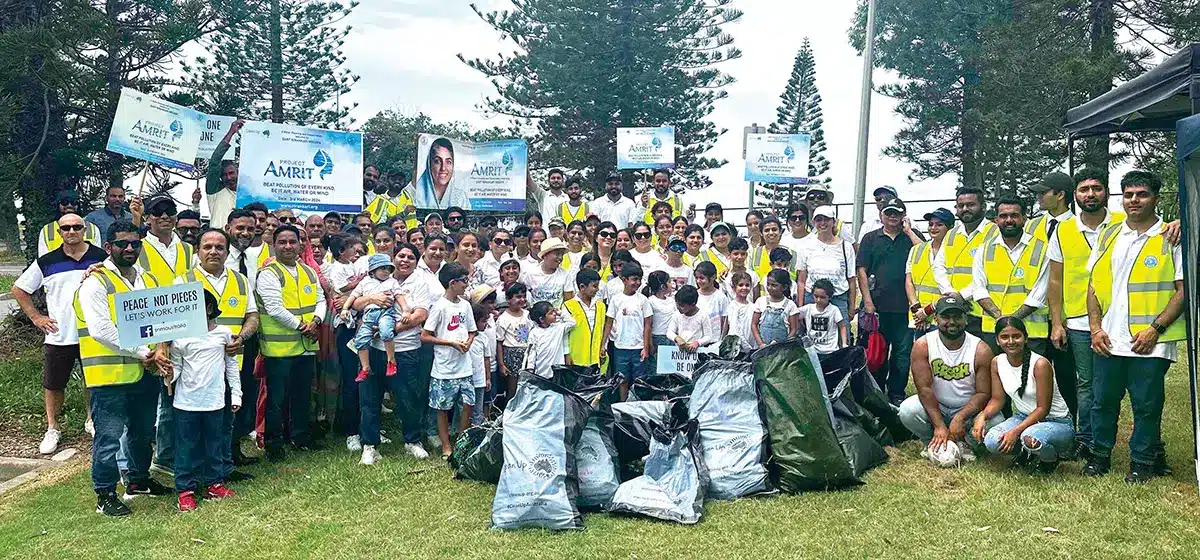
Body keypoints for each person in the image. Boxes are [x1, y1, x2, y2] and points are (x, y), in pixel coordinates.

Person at [1084, 170, 1183, 483]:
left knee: (1147, 406)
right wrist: (1096, 328)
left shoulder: (1170, 237)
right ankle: (1099, 457)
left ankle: (1142, 462)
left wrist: (1155, 329)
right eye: (1128, 195)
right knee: (1103, 403)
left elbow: (1184, 290)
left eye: (1141, 194)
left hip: (1149, 341)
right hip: (1109, 340)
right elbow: (1093, 286)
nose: (1134, 200)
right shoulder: (1109, 235)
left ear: (1156, 198)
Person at [77, 220, 173, 516]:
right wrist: (146, 351)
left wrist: (160, 348)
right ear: (109, 247)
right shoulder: (97, 281)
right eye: (122, 243)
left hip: (144, 372)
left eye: (135, 243)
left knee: (143, 432)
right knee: (108, 438)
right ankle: (105, 494)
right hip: (110, 376)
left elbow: (162, 319)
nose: (130, 248)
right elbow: (102, 330)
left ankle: (138, 480)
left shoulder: (149, 280)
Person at [15, 213, 108, 453]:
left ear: (85, 229)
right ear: (59, 232)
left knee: (94, 380)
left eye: (77, 227)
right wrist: (36, 318)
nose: (72, 231)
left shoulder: (101, 258)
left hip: (93, 333)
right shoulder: (47, 261)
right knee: (54, 384)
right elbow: (19, 289)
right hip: (59, 333)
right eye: (66, 228)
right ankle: (52, 428)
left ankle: (92, 420)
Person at [178, 228, 259, 482]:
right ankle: (198, 473)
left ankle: (223, 468)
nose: (214, 251)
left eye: (219, 247)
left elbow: (252, 316)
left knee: (226, 420)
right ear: (198, 251)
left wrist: (241, 338)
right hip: (196, 368)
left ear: (227, 252)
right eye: (207, 247)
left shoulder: (240, 280)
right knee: (196, 426)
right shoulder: (184, 281)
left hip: (233, 362)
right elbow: (175, 324)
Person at [352, 243, 432, 462]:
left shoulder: (421, 284)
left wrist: (388, 330)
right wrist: (372, 299)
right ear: (392, 259)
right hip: (374, 350)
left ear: (417, 261)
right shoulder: (376, 279)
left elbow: (420, 315)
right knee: (369, 398)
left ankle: (412, 441)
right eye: (401, 256)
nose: (405, 260)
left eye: (410, 257)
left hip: (405, 349)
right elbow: (356, 303)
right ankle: (369, 445)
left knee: (408, 397)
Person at [255, 225, 325, 462]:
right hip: (279, 349)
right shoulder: (268, 273)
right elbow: (274, 308)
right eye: (282, 242)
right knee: (277, 399)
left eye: (292, 242)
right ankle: (274, 444)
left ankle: (300, 437)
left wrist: (316, 320)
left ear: (300, 245)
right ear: (274, 245)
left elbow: (320, 299)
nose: (287, 246)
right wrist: (303, 327)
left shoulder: (308, 271)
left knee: (302, 395)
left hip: (306, 347)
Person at [900, 296, 1001, 459]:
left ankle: (967, 443)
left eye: (957, 316)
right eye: (946, 317)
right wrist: (939, 425)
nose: (952, 322)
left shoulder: (981, 349)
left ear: (966, 319)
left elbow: (983, 393)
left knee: (996, 423)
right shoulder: (923, 345)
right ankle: (933, 442)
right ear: (936, 318)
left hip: (968, 409)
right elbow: (924, 389)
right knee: (907, 410)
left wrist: (960, 417)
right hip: (936, 406)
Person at [169, 289, 241, 511]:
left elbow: (231, 366)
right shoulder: (180, 338)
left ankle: (214, 483)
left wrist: (236, 394)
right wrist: (165, 373)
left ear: (209, 309)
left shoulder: (224, 334)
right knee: (186, 447)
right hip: (185, 403)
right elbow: (176, 370)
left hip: (215, 402)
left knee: (215, 444)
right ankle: (185, 490)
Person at [977, 316, 1073, 473]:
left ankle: (1050, 458)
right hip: (1023, 417)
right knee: (992, 441)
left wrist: (1014, 432)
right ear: (997, 340)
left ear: (1025, 338)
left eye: (1016, 336)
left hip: (1057, 422)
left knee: (1029, 438)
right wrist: (982, 416)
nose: (1011, 341)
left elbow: (1043, 409)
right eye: (1004, 337)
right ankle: (1026, 453)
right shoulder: (997, 362)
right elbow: (997, 400)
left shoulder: (1040, 364)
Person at [857, 199, 924, 403]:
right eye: (889, 213)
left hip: (905, 309)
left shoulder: (911, 238)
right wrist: (867, 301)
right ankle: (876, 392)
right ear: (881, 215)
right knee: (877, 353)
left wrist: (909, 231)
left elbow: (926, 253)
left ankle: (896, 394)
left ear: (903, 215)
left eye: (897, 213)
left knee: (902, 355)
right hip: (878, 306)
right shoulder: (870, 238)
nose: (892, 217)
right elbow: (861, 270)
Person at [971, 196, 1049, 355]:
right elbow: (978, 290)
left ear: (1024, 218)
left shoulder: (1042, 248)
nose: (1009, 220)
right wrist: (1001, 320)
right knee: (996, 377)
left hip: (1032, 333)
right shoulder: (984, 249)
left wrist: (1010, 323)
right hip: (994, 332)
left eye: (1014, 215)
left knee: (1032, 378)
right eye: (1003, 216)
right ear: (995, 220)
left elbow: (1040, 293)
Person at [421, 262, 477, 458]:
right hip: (444, 367)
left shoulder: (466, 305)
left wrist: (468, 342)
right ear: (453, 283)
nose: (466, 285)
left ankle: (461, 441)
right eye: (464, 282)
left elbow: (472, 330)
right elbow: (425, 335)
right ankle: (446, 445)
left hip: (465, 366)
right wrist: (449, 343)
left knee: (467, 405)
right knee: (442, 407)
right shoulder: (439, 306)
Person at [932, 187, 997, 339]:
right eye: (960, 206)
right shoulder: (952, 233)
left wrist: (962, 295)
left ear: (983, 206)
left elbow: (992, 273)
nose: (965, 209)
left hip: (981, 313)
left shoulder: (994, 232)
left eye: (970, 205)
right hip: (954, 311)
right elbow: (939, 266)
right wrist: (951, 293)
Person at [342, 253, 410, 382]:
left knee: (386, 332)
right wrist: (345, 308)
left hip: (385, 312)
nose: (385, 271)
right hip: (369, 314)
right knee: (361, 340)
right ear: (373, 270)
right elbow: (353, 296)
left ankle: (391, 361)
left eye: (388, 268)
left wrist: (405, 311)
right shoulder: (365, 282)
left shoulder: (392, 282)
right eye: (382, 268)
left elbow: (399, 297)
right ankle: (365, 368)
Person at [796, 205, 857, 324]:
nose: (822, 223)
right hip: (813, 299)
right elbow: (802, 279)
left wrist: (851, 308)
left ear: (834, 222)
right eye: (819, 220)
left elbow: (851, 280)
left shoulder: (846, 247)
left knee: (841, 338)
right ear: (813, 222)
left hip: (838, 299)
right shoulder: (806, 246)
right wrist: (801, 305)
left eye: (827, 219)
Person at [602, 263, 652, 400]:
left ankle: (638, 406)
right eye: (634, 279)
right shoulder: (616, 299)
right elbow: (609, 322)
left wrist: (646, 347)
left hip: (638, 348)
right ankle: (623, 405)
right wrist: (603, 344)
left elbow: (648, 324)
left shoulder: (643, 300)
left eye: (639, 280)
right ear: (624, 280)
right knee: (622, 379)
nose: (637, 283)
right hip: (620, 347)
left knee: (639, 380)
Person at [906, 208, 954, 333]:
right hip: (918, 319)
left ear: (950, 228)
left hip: (943, 318)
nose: (933, 228)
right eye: (931, 224)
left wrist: (927, 311)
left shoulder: (955, 252)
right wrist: (917, 310)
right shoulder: (917, 249)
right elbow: (909, 281)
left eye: (939, 224)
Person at [204, 119, 245, 229]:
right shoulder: (215, 190)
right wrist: (231, 132)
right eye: (224, 175)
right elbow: (214, 162)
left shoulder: (248, 194)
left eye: (231, 173)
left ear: (238, 172)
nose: (228, 177)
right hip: (218, 241)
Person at [495, 282, 532, 403]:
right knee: (513, 388)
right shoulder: (503, 318)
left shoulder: (528, 315)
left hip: (526, 353)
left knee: (526, 387)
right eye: (518, 297)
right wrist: (501, 364)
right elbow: (499, 342)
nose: (521, 299)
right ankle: (510, 414)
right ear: (508, 299)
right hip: (511, 354)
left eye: (523, 296)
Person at [564, 269, 607, 370]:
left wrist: (603, 346)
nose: (597, 289)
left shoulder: (600, 306)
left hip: (596, 359)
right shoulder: (568, 306)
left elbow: (603, 328)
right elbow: (565, 334)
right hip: (576, 359)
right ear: (582, 287)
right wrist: (567, 354)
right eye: (594, 286)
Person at [411, 137, 470, 210]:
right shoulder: (415, 194)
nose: (443, 168)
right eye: (437, 161)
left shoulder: (461, 198)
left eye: (448, 162)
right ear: (429, 164)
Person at [38, 191, 102, 255]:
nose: (69, 205)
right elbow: (43, 258)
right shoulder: (47, 230)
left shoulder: (92, 229)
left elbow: (97, 256)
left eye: (73, 202)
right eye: (64, 202)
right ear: (58, 205)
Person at [523, 301, 576, 378]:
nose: (554, 314)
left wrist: (560, 313)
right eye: (551, 313)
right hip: (541, 372)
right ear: (541, 319)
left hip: (557, 372)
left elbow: (572, 323)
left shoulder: (558, 328)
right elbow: (532, 352)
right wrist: (530, 368)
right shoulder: (534, 332)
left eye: (554, 311)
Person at [667, 285, 717, 365]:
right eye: (677, 304)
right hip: (680, 354)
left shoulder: (702, 316)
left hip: (697, 354)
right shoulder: (677, 315)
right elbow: (669, 332)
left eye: (682, 306)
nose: (678, 308)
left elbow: (708, 336)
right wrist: (677, 338)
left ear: (692, 304)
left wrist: (697, 343)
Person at [468, 287, 497, 424]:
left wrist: (488, 378)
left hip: (480, 379)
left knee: (479, 405)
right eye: (483, 321)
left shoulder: (484, 337)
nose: (486, 324)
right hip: (466, 378)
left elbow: (487, 359)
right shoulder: (465, 336)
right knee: (463, 405)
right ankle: (459, 428)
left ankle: (478, 427)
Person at [520, 236, 574, 308]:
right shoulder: (531, 273)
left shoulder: (565, 274)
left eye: (562, 254)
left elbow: (568, 301)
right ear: (545, 255)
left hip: (558, 316)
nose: (560, 258)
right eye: (557, 254)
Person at [752, 268, 800, 347]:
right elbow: (754, 324)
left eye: (774, 285)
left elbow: (794, 329)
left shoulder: (790, 305)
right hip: (761, 348)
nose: (770, 287)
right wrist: (760, 343)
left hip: (781, 351)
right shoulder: (761, 301)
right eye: (768, 284)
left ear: (784, 287)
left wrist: (783, 346)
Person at [798, 279, 846, 356]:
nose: (818, 300)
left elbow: (842, 326)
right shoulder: (808, 308)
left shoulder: (834, 310)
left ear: (829, 297)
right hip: (812, 351)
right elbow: (793, 315)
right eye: (816, 296)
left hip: (830, 351)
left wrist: (844, 343)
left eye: (822, 297)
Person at [644, 271, 677, 371]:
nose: (672, 284)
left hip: (671, 337)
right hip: (657, 338)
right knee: (657, 367)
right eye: (669, 282)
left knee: (670, 367)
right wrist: (650, 343)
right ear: (663, 286)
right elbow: (648, 324)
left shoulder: (672, 300)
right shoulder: (651, 301)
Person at [693, 261, 729, 339]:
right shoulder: (694, 295)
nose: (699, 281)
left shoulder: (721, 297)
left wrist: (721, 340)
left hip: (715, 341)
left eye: (702, 278)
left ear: (713, 277)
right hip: (696, 341)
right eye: (697, 278)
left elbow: (724, 321)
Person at [726, 271, 756, 352]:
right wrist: (747, 348)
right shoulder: (733, 306)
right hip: (736, 349)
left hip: (751, 347)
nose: (744, 288)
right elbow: (735, 330)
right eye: (740, 285)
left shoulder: (753, 306)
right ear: (733, 287)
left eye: (747, 285)